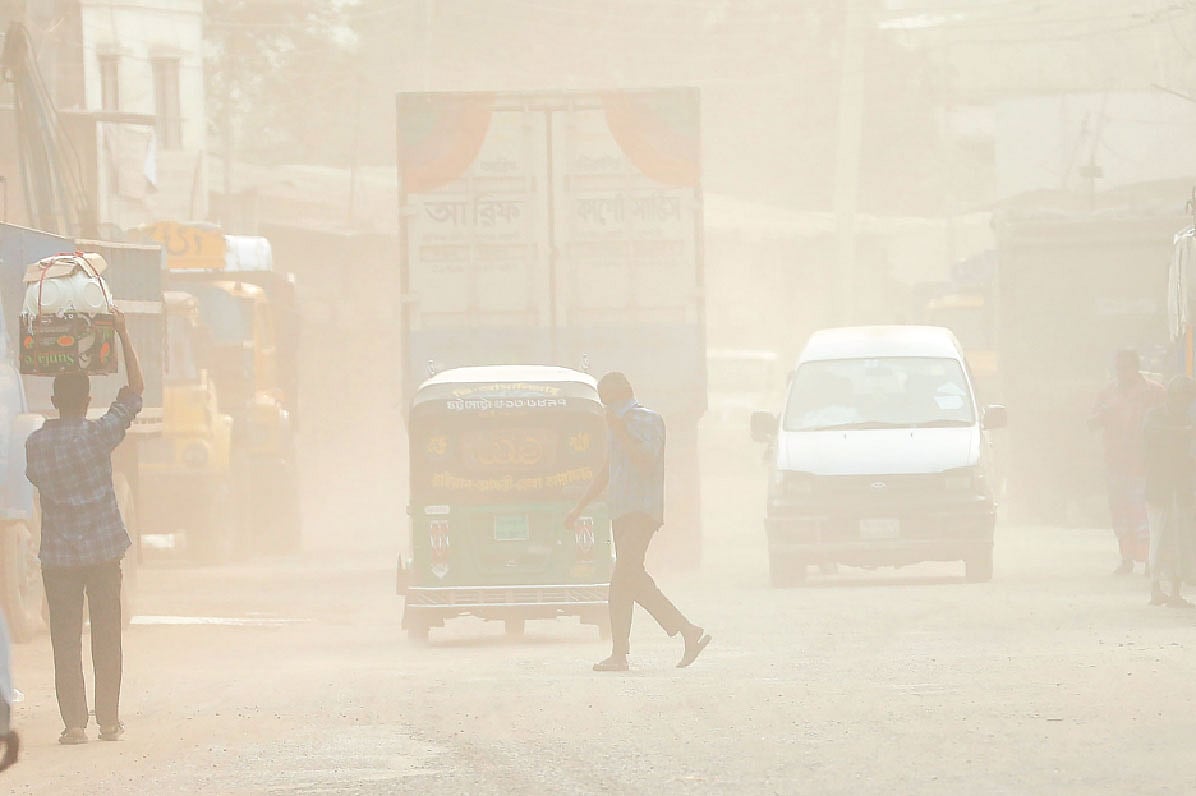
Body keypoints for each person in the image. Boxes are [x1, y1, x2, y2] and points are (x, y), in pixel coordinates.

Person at [26, 309, 143, 744]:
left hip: (59, 559)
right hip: (102, 553)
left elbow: (36, 481)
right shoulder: (99, 435)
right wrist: (124, 334)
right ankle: (109, 721)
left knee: (65, 640)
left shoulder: (36, 444)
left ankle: (74, 724)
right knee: (107, 637)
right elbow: (135, 392)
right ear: (88, 399)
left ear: (54, 402)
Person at [565, 372, 710, 672]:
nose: (606, 413)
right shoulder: (617, 427)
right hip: (621, 512)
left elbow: (645, 460)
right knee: (627, 580)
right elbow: (609, 469)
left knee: (623, 580)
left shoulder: (646, 420)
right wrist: (579, 507)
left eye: (607, 406)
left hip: (641, 512)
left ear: (614, 401)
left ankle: (674, 634)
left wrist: (620, 430)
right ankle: (678, 634)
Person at [1089, 349, 1164, 574]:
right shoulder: (1107, 394)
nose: (1121, 372)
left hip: (1144, 464)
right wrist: (1100, 417)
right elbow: (1091, 422)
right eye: (1118, 368)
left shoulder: (1154, 393)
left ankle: (1151, 560)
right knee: (1120, 512)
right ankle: (1127, 558)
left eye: (1125, 367)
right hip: (1115, 463)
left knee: (1143, 513)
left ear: (1135, 367)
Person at [1143, 376, 1196, 607]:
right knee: (1160, 537)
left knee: (1181, 539)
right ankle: (1155, 588)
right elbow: (1154, 434)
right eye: (1180, 396)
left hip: (1182, 488)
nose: (1183, 401)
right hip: (1160, 487)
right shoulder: (1155, 417)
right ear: (1171, 396)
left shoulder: (1187, 419)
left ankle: (1175, 591)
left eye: (1187, 397)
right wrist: (1184, 431)